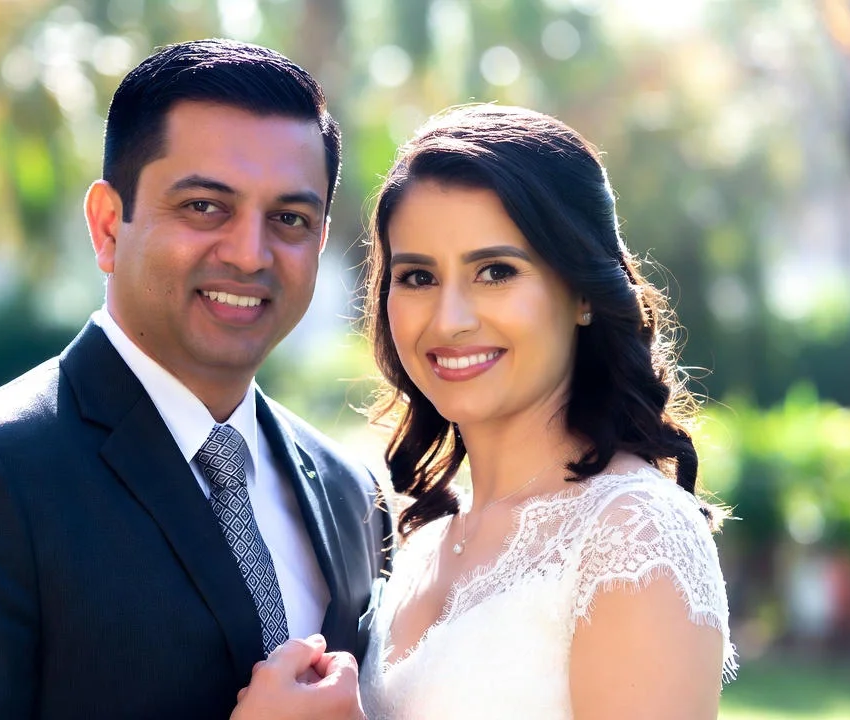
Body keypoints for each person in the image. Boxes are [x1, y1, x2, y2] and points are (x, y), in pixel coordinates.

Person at [0, 39, 391, 720]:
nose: (251, 254)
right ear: (108, 225)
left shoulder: (350, 494)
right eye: (205, 207)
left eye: (289, 219)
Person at [233, 104, 736, 719]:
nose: (450, 320)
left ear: (582, 291)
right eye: (417, 277)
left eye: (495, 272)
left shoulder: (632, 535)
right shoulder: (423, 542)